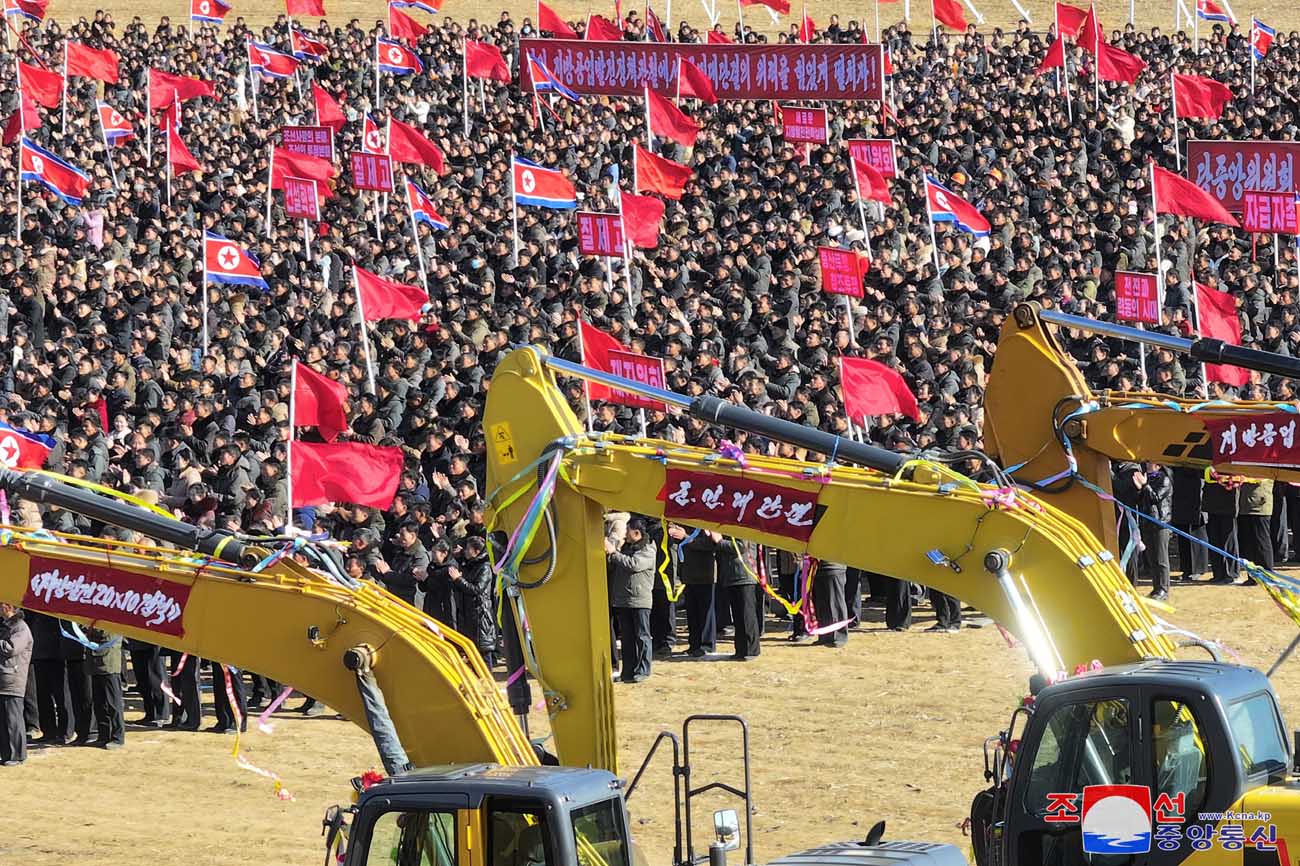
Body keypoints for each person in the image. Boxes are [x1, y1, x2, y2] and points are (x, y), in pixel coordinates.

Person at [605, 517, 656, 682]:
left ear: (637, 532)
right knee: (627, 638)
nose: (625, 535)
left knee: (642, 636)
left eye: (627, 531)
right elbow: (617, 564)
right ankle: (627, 671)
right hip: (623, 599)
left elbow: (634, 564)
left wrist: (614, 552)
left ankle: (643, 670)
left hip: (640, 600)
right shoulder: (626, 548)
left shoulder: (648, 549)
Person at [673, 526, 719, 657]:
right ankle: (694, 644)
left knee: (705, 613)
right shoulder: (686, 525)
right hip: (688, 574)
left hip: (705, 574)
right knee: (692, 613)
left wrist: (686, 538)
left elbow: (710, 545)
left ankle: (707, 645)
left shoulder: (705, 525)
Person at [452, 535, 497, 666]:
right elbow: (466, 567)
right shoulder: (471, 564)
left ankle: (488, 682)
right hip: (468, 614)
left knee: (483, 652)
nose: (465, 551)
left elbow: (477, 589)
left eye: (468, 549)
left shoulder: (484, 568)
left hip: (480, 615)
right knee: (472, 652)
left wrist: (458, 579)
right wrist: (460, 556)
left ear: (476, 551)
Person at [716, 537, 760, 659]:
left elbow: (741, 546)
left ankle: (751, 650)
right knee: (738, 616)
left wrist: (719, 541)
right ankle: (741, 649)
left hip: (744, 574)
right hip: (732, 575)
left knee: (747, 615)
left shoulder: (742, 524)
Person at [0, 602, 33, 765]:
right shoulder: (7, 627)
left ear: (8, 607)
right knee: (4, 720)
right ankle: (7, 754)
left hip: (13, 678)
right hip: (4, 678)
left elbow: (11, 648)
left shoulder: (21, 628)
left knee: (13, 720)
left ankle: (17, 755)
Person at [85, 627, 126, 749]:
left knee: (113, 703)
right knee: (99, 703)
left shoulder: (110, 616)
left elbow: (104, 634)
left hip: (109, 662)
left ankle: (117, 737)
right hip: (95, 663)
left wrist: (85, 627)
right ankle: (103, 735)